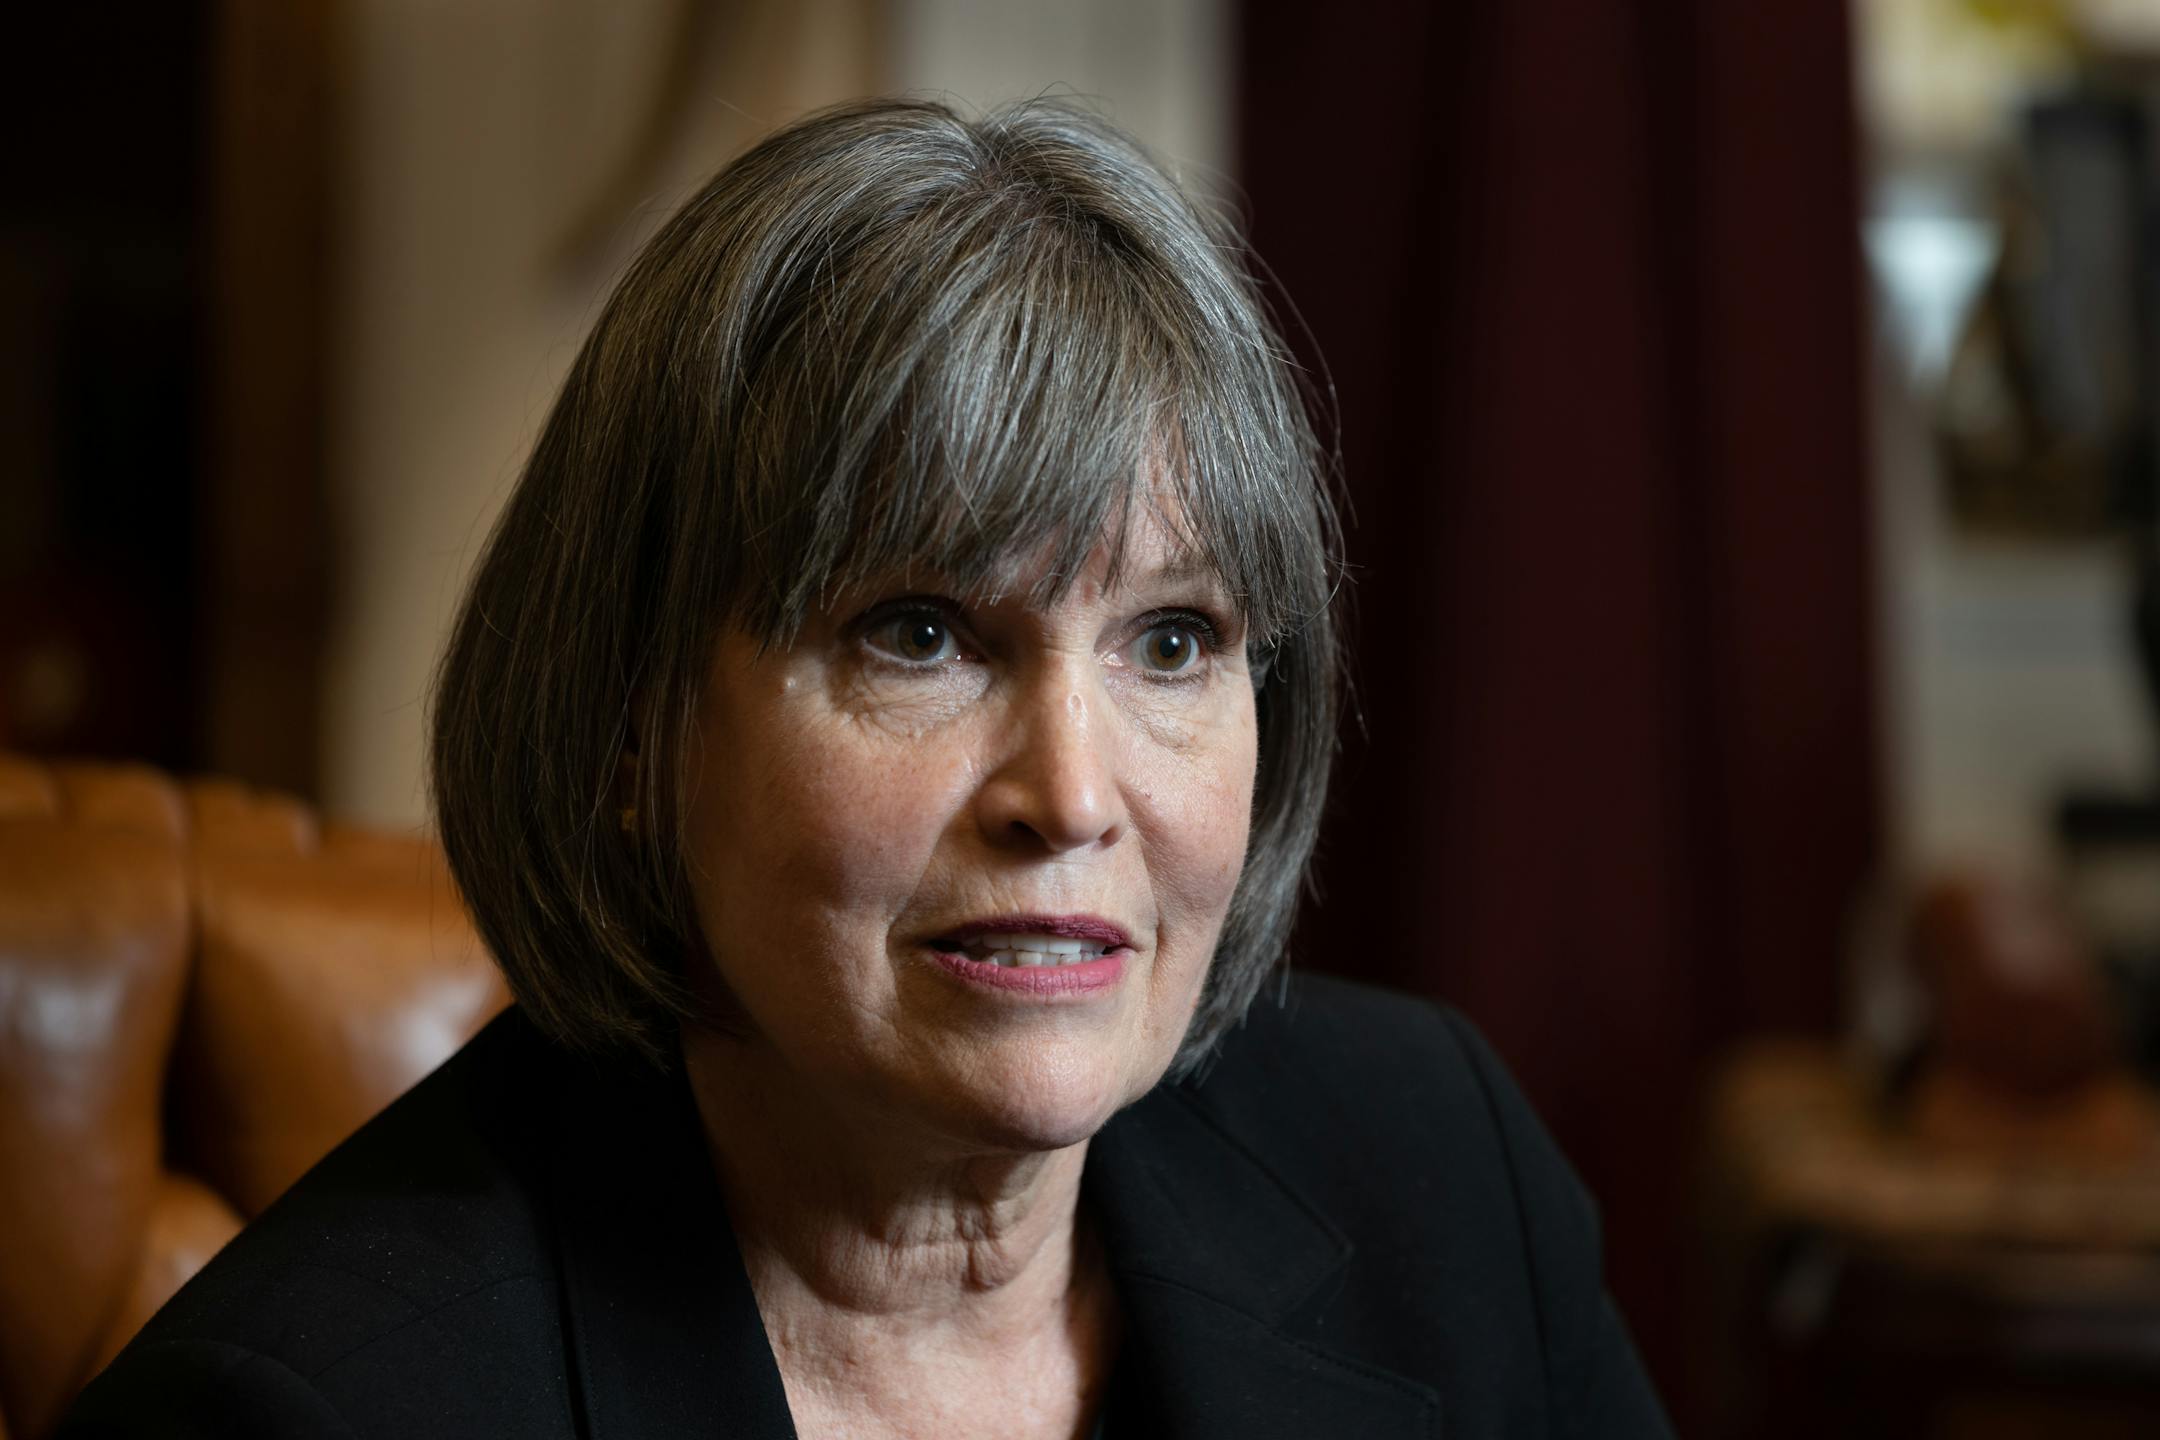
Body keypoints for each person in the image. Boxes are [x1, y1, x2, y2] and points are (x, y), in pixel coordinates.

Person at [62, 97, 1671, 1438]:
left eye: (1171, 641)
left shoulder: (1446, 1179)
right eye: (920, 634)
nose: (1074, 791)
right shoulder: (306, 1412)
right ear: (631, 723)